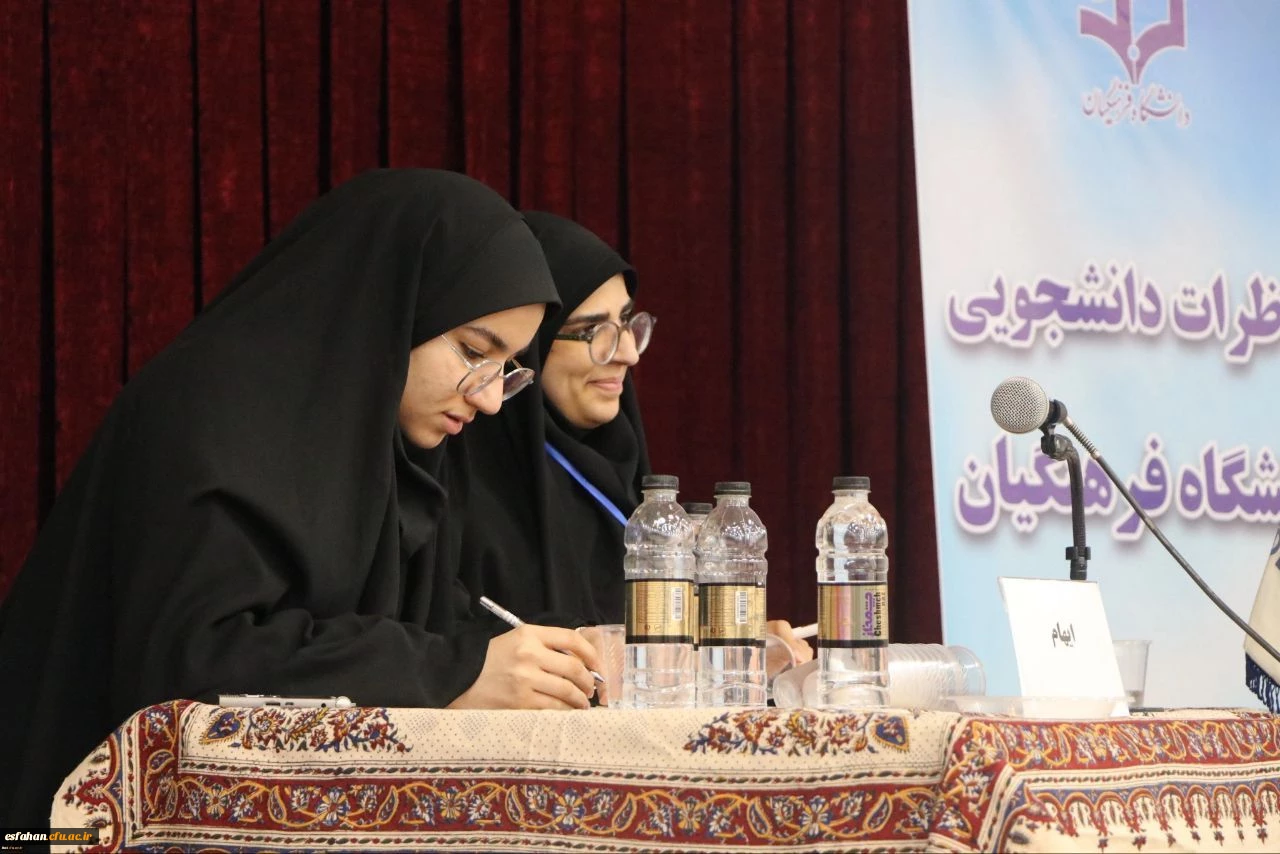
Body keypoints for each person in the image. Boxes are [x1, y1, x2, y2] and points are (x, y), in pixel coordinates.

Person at [0, 170, 602, 826]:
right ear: (393, 303)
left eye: (507, 370)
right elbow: (197, 657)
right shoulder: (211, 408)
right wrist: (456, 669)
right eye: (473, 352)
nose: (488, 400)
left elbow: (417, 616)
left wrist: (543, 656)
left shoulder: (390, 442)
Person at [456, 212, 813, 671]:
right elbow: (452, 633)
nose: (626, 353)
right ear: (527, 344)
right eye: (593, 332)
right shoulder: (457, 478)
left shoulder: (616, 460)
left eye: (626, 322)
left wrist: (723, 642)